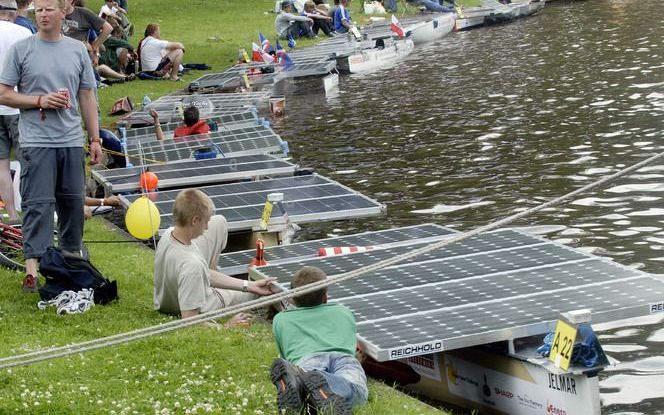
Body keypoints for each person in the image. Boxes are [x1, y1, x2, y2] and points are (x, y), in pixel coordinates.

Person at [0, 0, 102, 292]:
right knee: (37, 205)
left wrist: (94, 139)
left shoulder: (77, 50)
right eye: (39, 10)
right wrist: (39, 101)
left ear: (63, 12)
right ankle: (33, 269)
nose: (42, 15)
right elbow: (4, 94)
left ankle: (69, 263)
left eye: (48, 9)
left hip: (70, 141)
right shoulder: (23, 49)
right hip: (35, 142)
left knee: (71, 204)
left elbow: (87, 97)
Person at [153, 189, 275, 319]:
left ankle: (248, 286)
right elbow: (189, 320)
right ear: (195, 220)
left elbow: (205, 273)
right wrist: (228, 327)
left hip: (167, 298)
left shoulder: (169, 234)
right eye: (205, 222)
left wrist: (249, 285)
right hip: (203, 302)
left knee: (219, 221)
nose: (206, 227)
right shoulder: (192, 266)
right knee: (259, 294)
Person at [270, 266, 368, 415]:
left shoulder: (281, 319)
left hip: (308, 360)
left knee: (305, 380)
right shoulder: (343, 311)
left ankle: (301, 381)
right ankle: (324, 385)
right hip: (344, 359)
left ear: (293, 297)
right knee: (357, 389)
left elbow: (285, 354)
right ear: (325, 297)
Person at [0, 0, 32, 226]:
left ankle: (11, 214)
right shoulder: (23, 32)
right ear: (12, 14)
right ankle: (31, 210)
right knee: (27, 161)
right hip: (18, 103)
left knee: (1, 165)